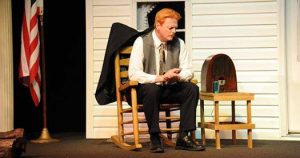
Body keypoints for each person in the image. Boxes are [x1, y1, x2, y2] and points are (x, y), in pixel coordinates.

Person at [128, 8, 205, 153]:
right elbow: (134, 74)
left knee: (191, 89)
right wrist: (159, 78)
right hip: (145, 91)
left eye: (176, 27)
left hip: (168, 89)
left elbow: (189, 70)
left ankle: (183, 137)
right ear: (158, 25)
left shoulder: (179, 43)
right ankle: (155, 137)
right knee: (153, 88)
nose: (174, 31)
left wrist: (177, 76)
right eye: (171, 28)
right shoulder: (141, 42)